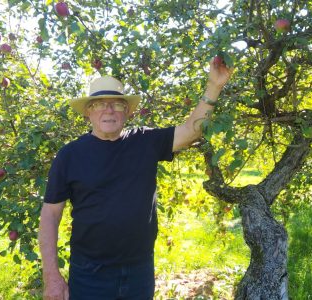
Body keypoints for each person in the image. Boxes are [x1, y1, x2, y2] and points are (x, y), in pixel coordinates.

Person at [38, 57, 233, 300]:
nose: (109, 110)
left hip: (139, 270)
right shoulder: (69, 155)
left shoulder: (145, 141)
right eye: (100, 104)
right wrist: (52, 276)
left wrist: (214, 86)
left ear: (128, 111)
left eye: (117, 105)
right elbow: (50, 215)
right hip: (90, 273)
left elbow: (191, 131)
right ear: (89, 112)